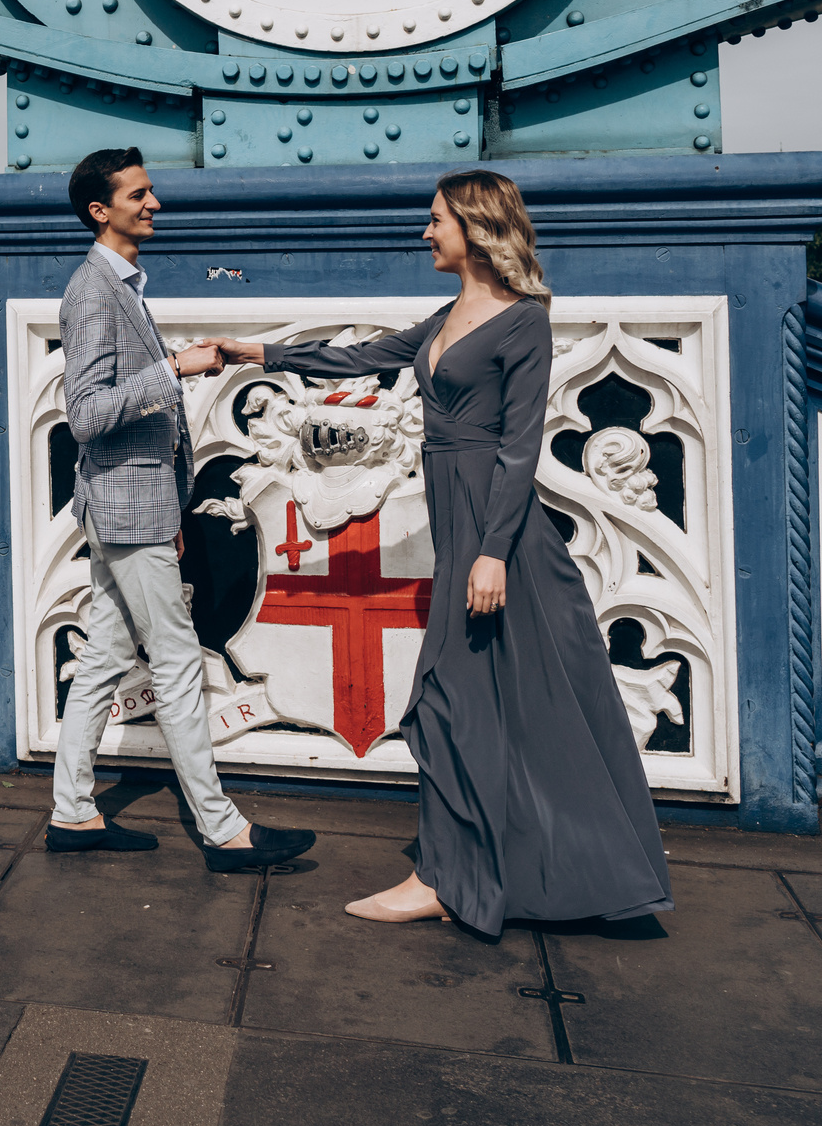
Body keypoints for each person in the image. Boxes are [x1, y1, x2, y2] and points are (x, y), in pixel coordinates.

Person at [206, 170, 671, 932]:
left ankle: (446, 878)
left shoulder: (523, 322)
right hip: (464, 530)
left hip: (501, 538)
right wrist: (249, 352)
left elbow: (520, 448)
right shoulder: (449, 314)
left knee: (457, 702)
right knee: (476, 705)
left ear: (475, 225)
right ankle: (471, 871)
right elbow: (361, 360)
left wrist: (491, 554)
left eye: (435, 221)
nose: (424, 233)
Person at [50, 147, 317, 872]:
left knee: (105, 659)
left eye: (151, 192)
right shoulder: (92, 291)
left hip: (134, 505)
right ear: (100, 211)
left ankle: (73, 813)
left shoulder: (123, 285)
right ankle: (223, 830)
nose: (155, 203)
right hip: (124, 507)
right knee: (175, 662)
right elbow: (85, 415)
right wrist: (173, 369)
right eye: (138, 195)